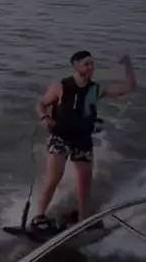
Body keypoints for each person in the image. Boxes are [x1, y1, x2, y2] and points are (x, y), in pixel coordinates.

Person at [31, 51, 136, 233]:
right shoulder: (61, 86)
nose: (91, 67)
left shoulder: (96, 89)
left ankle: (83, 218)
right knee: (54, 177)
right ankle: (38, 217)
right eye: (86, 64)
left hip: (82, 139)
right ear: (76, 66)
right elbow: (41, 104)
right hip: (60, 137)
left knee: (85, 180)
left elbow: (129, 86)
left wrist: (127, 63)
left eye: (92, 63)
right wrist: (44, 118)